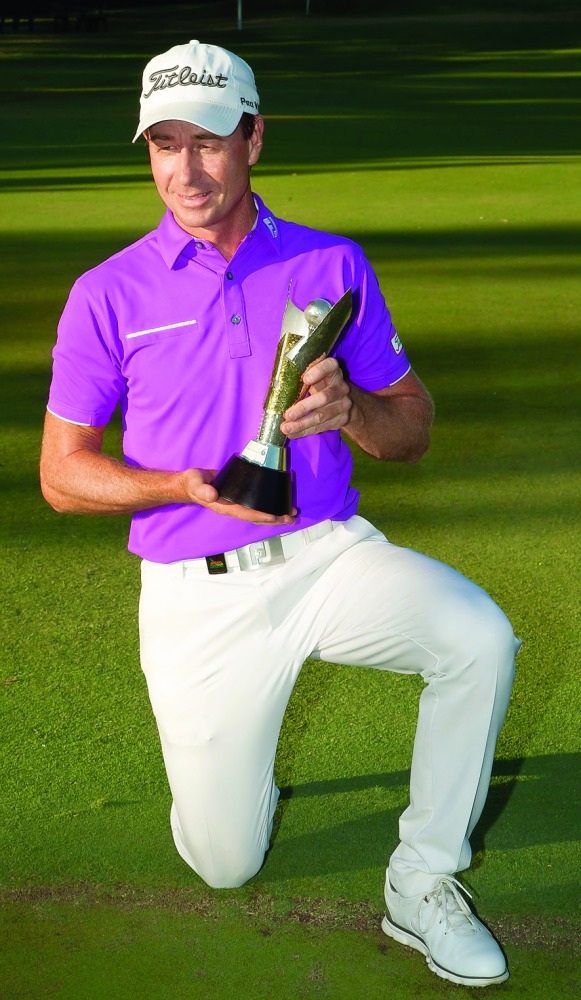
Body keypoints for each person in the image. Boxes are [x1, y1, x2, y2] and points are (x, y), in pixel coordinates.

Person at [40, 39, 521, 988]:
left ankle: (422, 880)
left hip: (327, 554)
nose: (186, 169)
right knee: (226, 861)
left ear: (255, 139)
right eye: (164, 144)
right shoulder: (106, 294)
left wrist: (355, 412)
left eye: (211, 141)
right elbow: (63, 476)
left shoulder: (330, 261)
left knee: (478, 635)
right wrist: (180, 484)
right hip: (196, 592)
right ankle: (226, 762)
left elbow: (409, 429)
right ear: (146, 152)